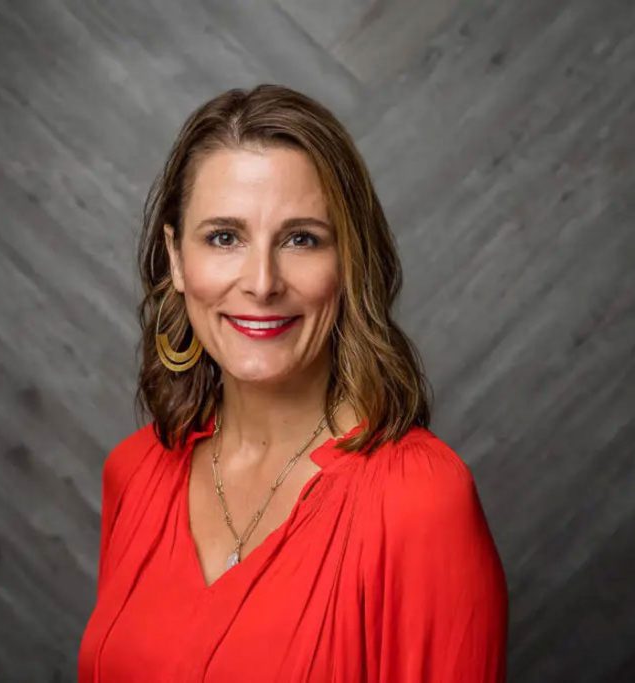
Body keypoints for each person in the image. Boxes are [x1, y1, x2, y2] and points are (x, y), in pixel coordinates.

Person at [78, 84, 508, 682]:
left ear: (349, 261)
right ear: (177, 258)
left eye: (301, 238)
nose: (261, 282)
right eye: (224, 237)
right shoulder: (135, 472)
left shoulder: (421, 503)